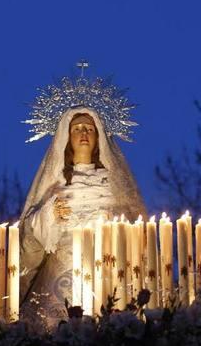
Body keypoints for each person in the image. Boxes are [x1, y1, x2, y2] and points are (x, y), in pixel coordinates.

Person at [20, 106, 145, 324]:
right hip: (63, 274)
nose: (84, 133)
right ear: (67, 137)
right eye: (77, 129)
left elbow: (134, 224)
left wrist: (116, 223)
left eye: (89, 129)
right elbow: (30, 235)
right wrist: (50, 214)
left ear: (99, 137)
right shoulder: (55, 184)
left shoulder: (114, 185)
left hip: (108, 269)